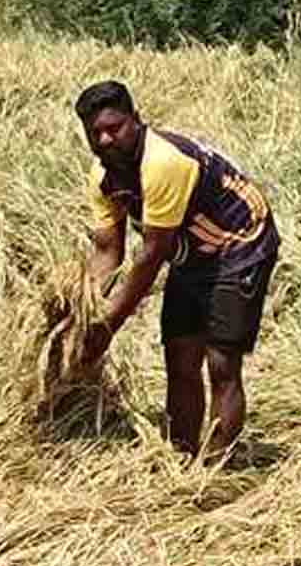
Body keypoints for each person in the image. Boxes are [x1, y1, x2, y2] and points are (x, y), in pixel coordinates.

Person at [72, 79, 281, 460]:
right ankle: (181, 460)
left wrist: (108, 327)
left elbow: (152, 254)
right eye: (95, 132)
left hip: (240, 245)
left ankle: (218, 473)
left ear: (136, 120)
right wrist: (81, 313)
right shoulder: (103, 178)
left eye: (114, 128)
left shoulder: (163, 162)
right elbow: (107, 252)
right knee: (180, 357)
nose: (105, 140)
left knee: (221, 362)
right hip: (191, 255)